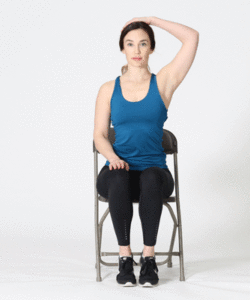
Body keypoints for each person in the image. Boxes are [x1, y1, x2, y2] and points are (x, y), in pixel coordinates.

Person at [93, 16, 199, 287]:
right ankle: (125, 257)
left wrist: (151, 20)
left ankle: (149, 258)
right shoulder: (108, 89)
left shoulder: (163, 82)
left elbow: (192, 37)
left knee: (151, 177)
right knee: (117, 176)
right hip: (118, 173)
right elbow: (100, 136)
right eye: (130, 44)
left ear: (151, 47)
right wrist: (113, 158)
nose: (137, 50)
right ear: (122, 49)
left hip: (154, 175)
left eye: (143, 43)